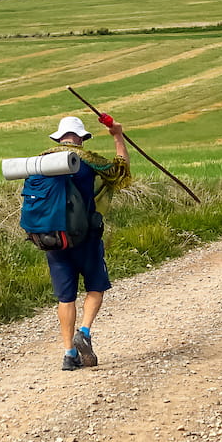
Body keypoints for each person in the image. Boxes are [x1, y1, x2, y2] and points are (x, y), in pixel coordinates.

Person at [40, 115, 131, 371]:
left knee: (65, 297)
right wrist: (117, 136)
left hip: (54, 239)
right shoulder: (89, 161)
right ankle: (85, 332)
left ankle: (69, 354)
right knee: (95, 287)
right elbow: (121, 170)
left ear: (58, 138)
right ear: (81, 138)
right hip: (87, 237)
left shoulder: (40, 162)